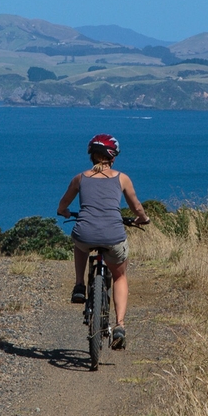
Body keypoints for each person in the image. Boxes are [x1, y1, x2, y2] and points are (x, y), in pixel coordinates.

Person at [57, 133, 149, 349]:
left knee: (80, 244)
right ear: (113, 157)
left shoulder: (80, 178)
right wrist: (143, 218)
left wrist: (65, 212)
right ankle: (120, 325)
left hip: (86, 234)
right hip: (113, 236)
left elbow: (62, 205)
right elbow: (137, 207)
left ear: (91, 156)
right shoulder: (122, 178)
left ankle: (79, 285)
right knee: (120, 276)